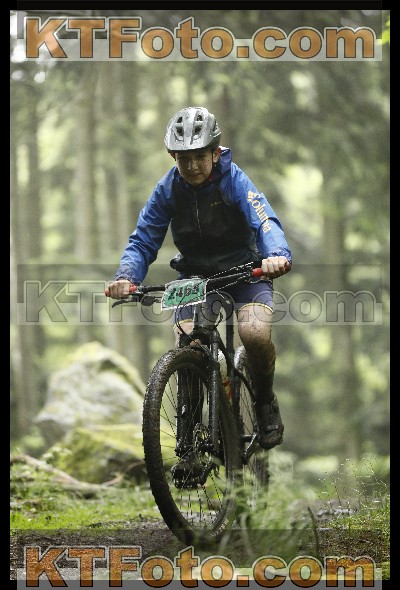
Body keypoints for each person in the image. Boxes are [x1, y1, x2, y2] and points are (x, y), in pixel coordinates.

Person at [107, 106, 292, 450]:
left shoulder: (234, 180)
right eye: (184, 159)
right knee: (188, 341)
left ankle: (265, 401)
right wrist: (126, 276)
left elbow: (264, 220)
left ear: (215, 153)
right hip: (194, 276)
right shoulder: (167, 189)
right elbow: (144, 238)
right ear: (172, 157)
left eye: (199, 157)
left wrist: (276, 255)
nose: (192, 166)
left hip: (245, 271)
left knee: (254, 333)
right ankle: (189, 435)